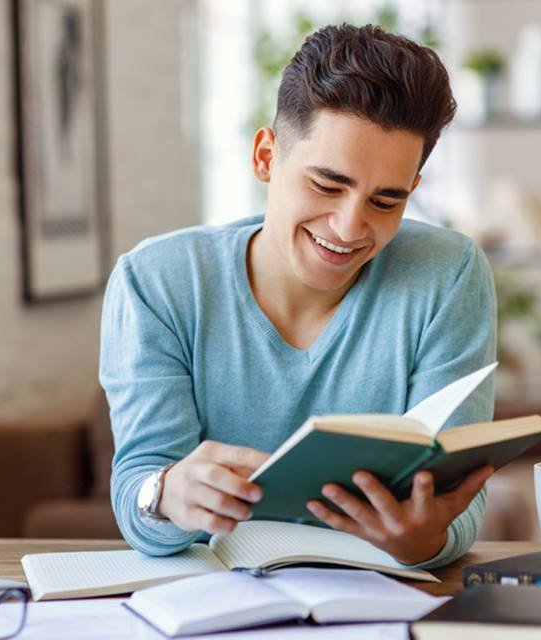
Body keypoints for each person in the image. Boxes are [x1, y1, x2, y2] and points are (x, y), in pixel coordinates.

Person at [100, 24, 496, 568]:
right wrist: (164, 495)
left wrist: (423, 541)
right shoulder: (158, 282)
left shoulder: (447, 274)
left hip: (379, 600)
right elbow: (139, 496)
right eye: (327, 185)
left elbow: (458, 502)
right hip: (213, 603)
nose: (349, 226)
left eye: (386, 201)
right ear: (265, 156)